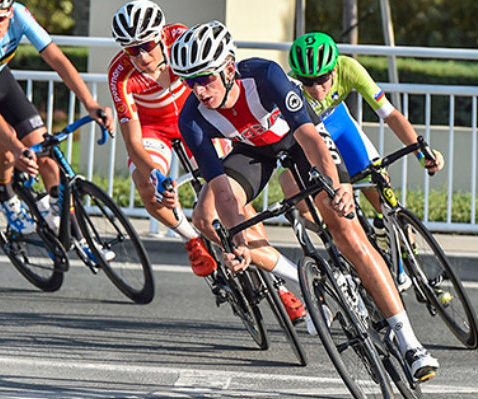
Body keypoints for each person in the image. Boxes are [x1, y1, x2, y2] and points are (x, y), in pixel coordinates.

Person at [169, 21, 439, 382]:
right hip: (252, 152)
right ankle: (313, 280)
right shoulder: (192, 118)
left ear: (229, 67)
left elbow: (312, 140)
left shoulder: (266, 75)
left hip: (299, 141)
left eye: (205, 78)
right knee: (221, 209)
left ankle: (409, 342)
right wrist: (236, 239)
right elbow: (221, 190)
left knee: (345, 228)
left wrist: (335, 185)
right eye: (190, 81)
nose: (199, 90)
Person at [285, 32, 445, 289]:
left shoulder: (349, 68)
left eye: (323, 79)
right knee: (334, 209)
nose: (316, 89)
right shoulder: (289, 90)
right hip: (313, 140)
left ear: (335, 69)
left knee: (382, 189)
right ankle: (347, 260)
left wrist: (421, 152)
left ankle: (414, 268)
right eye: (308, 82)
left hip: (340, 126)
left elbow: (390, 115)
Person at [0, 0, 114, 251]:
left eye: (0, 18)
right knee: (7, 143)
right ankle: (7, 197)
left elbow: (57, 60)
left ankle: (59, 212)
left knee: (44, 151)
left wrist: (90, 103)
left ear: (10, 12)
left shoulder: (20, 15)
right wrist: (17, 148)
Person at [107, 1, 238, 285]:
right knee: (144, 182)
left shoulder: (180, 38)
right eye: (132, 50)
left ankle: (276, 284)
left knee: (231, 189)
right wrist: (157, 177)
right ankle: (192, 240)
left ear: (161, 35)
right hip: (156, 129)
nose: (141, 56)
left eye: (147, 45)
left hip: (196, 120)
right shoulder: (119, 74)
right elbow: (133, 142)